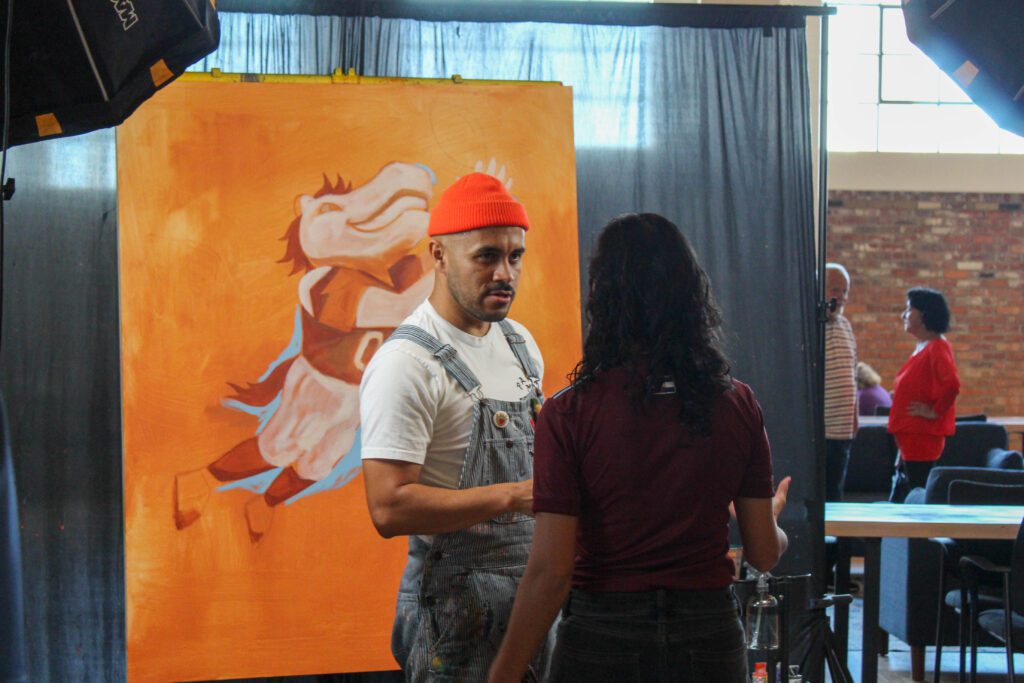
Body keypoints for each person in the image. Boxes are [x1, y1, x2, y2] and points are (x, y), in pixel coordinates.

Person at [487, 213, 790, 683]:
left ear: (602, 299)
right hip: (708, 636)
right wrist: (771, 519)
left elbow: (551, 574)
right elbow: (764, 554)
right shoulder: (738, 403)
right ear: (691, 295)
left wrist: (501, 675)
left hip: (602, 637)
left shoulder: (570, 413)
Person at [359, 172, 551, 681]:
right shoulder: (406, 363)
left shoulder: (520, 344)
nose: (504, 272)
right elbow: (388, 507)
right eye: (486, 256)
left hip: (531, 607)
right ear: (439, 256)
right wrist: (512, 497)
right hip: (453, 616)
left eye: (515, 256)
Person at [887, 287, 960, 502]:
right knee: (912, 490)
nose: (904, 315)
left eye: (909, 309)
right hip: (910, 436)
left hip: (922, 435)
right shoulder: (923, 346)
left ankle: (919, 536)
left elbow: (952, 385)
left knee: (919, 493)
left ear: (924, 314)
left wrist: (934, 411)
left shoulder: (937, 347)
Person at [824, 263, 858, 502]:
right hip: (822, 430)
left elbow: (853, 374)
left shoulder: (846, 326)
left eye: (845, 291)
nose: (842, 297)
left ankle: (835, 540)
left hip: (843, 430)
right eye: (836, 290)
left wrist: (854, 417)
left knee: (836, 494)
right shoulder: (811, 326)